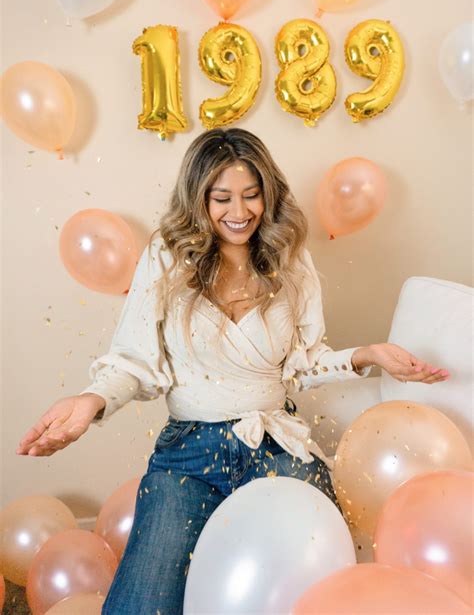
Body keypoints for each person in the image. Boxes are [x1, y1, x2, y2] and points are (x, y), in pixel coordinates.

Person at [17, 128, 450, 614]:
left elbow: (302, 362)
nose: (239, 212)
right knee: (141, 603)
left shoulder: (290, 257)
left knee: (314, 591)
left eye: (251, 195)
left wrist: (368, 354)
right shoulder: (166, 255)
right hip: (189, 453)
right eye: (221, 198)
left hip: (276, 445)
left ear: (269, 193)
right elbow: (135, 361)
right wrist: (89, 401)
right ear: (198, 197)